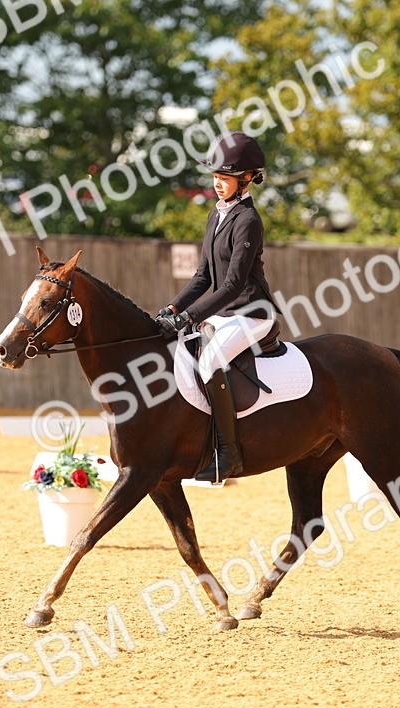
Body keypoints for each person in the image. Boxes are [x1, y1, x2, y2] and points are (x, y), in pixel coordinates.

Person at [155, 131, 278, 482]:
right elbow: (203, 277)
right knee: (183, 350)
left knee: (210, 360)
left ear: (247, 178)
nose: (217, 183)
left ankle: (229, 454)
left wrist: (189, 316)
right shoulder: (215, 216)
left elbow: (232, 285)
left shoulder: (248, 220)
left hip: (252, 312)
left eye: (225, 177)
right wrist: (172, 309)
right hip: (225, 313)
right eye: (215, 176)